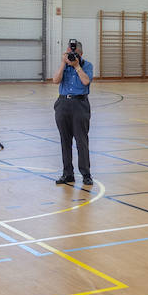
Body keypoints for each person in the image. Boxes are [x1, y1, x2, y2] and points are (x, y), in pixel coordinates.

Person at [53, 38, 94, 185]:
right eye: (69, 53)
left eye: (74, 53)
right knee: (65, 141)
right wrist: (64, 63)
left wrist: (77, 66)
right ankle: (67, 173)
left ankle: (86, 174)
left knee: (81, 141)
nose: (72, 56)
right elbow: (55, 80)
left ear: (81, 54)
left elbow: (86, 81)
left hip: (80, 104)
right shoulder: (64, 66)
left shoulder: (87, 65)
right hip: (63, 103)